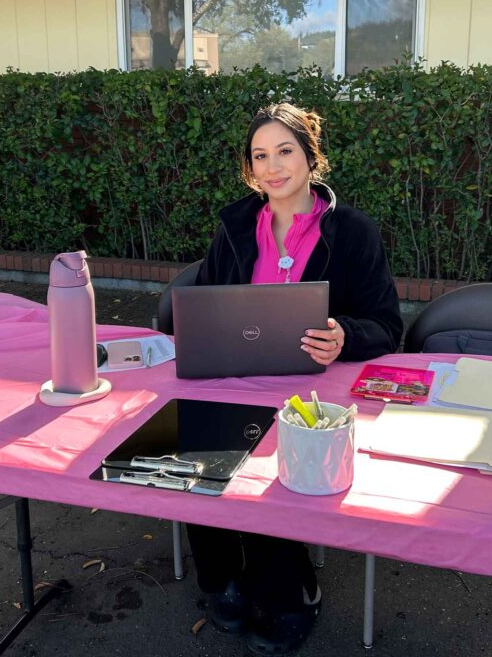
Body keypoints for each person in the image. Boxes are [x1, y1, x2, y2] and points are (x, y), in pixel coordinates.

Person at [188, 102, 403, 655]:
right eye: (260, 156)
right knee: (192, 448)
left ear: (310, 158)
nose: (272, 166)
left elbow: (387, 327)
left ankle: (292, 593)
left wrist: (344, 336)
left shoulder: (352, 232)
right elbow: (206, 301)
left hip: (312, 392)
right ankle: (222, 580)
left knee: (276, 474)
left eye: (285, 151)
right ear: (249, 168)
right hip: (233, 377)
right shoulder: (235, 224)